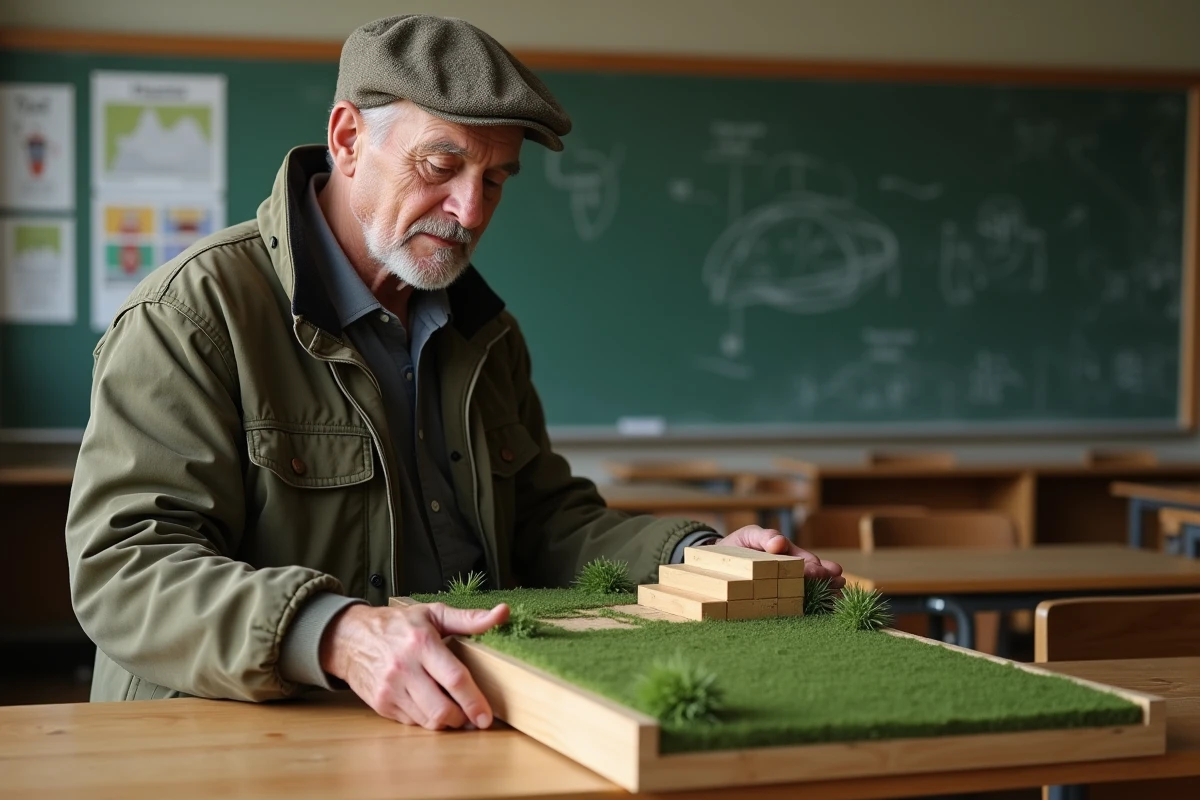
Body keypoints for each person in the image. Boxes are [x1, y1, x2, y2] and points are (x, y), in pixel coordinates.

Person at [65, 15, 843, 730]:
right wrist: (333, 632)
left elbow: (548, 524)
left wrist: (693, 558)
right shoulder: (195, 313)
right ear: (346, 139)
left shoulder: (486, 333)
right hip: (239, 737)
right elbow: (125, 566)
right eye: (441, 165)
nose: (470, 210)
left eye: (496, 179)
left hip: (459, 720)